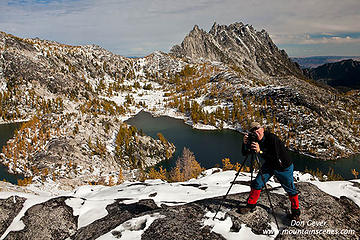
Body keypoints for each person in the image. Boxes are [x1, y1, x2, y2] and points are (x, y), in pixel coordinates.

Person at [238, 122, 300, 220]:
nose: (256, 132)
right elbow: (245, 153)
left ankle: (296, 212)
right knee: (257, 183)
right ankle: (250, 205)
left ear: (262, 129)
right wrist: (245, 143)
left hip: (283, 167)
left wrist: (260, 151)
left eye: (257, 129)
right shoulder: (254, 139)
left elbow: (276, 158)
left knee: (290, 189)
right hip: (270, 164)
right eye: (253, 130)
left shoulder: (272, 138)